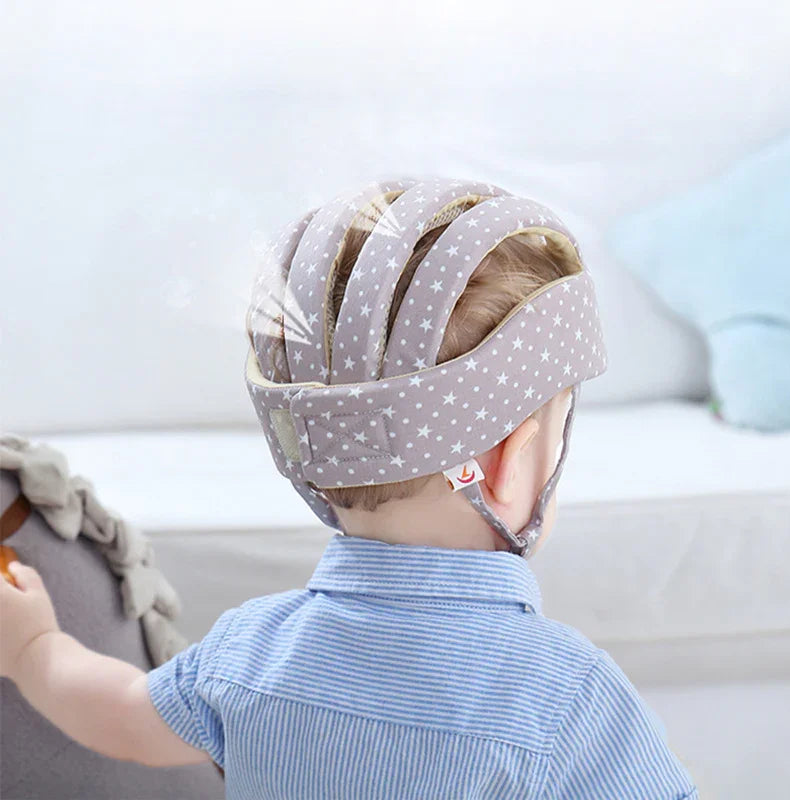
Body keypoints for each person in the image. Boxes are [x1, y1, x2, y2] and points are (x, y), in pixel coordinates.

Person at [0, 177, 698, 798]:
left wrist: (33, 650)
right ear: (512, 463)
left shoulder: (252, 651)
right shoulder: (566, 699)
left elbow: (121, 715)